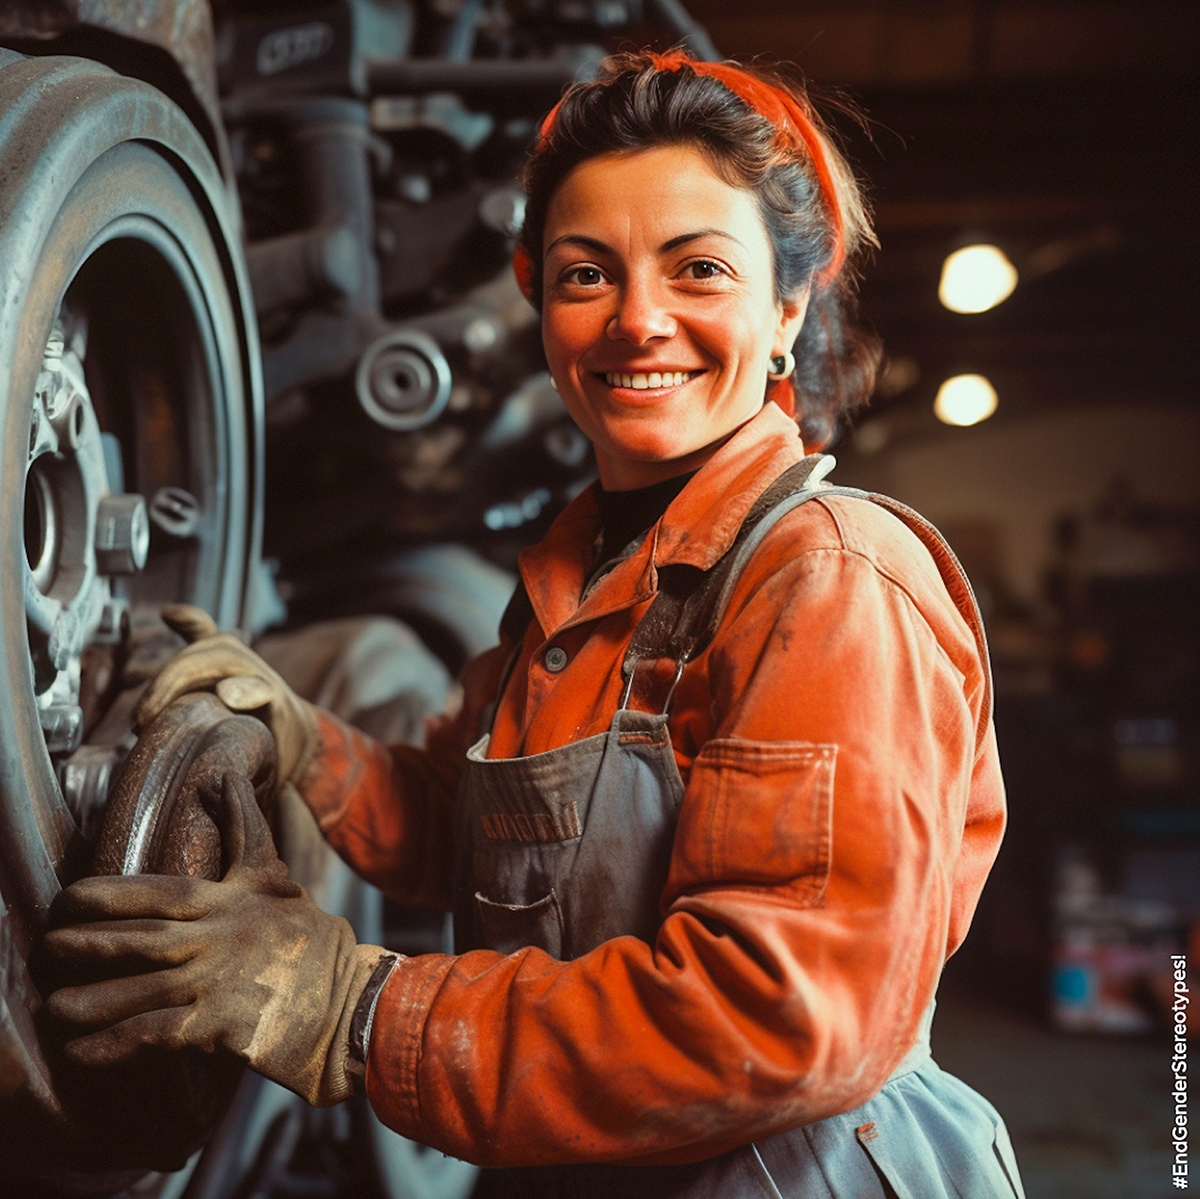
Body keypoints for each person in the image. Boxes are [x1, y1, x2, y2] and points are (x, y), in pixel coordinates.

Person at [46, 49, 1025, 1197]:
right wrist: (305, 743)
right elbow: (485, 837)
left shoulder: (831, 578)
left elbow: (776, 1012)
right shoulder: (579, 576)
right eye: (585, 274)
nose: (638, 320)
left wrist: (352, 1007)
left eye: (699, 268)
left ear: (786, 309)